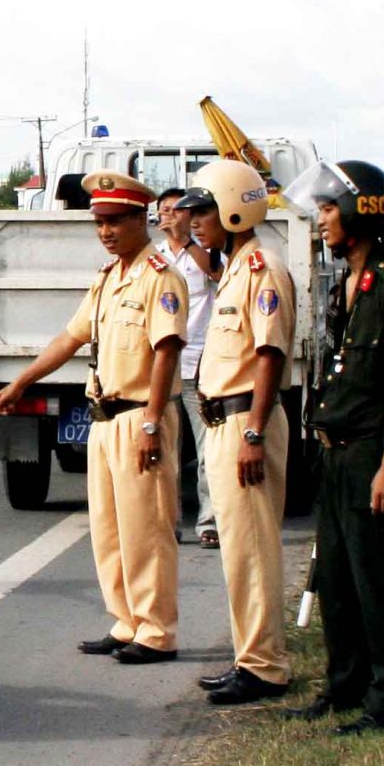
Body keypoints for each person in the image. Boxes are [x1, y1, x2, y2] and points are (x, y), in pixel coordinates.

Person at [0, 171, 188, 664]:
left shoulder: (161, 276)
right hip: (104, 418)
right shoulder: (108, 278)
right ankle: (126, 621)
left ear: (143, 219)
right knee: (110, 529)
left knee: (147, 532)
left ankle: (156, 631)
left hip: (140, 416)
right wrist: (20, 382)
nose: (106, 231)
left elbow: (167, 352)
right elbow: (69, 340)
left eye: (116, 221)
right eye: (99, 222)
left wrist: (153, 421)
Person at [282, 159, 384, 736]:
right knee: (339, 583)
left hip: (375, 454)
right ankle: (346, 685)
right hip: (338, 454)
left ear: (359, 210)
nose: (320, 220)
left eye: (326, 209)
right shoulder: (351, 283)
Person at [177, 159, 296, 705]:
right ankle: (250, 657)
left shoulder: (262, 270)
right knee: (237, 553)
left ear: (232, 209)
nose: (193, 222)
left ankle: (264, 666)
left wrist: (252, 433)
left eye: (202, 212)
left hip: (247, 421)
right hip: (225, 421)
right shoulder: (233, 269)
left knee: (252, 551)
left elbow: (269, 356)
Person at [157, 186, 224, 549]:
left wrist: (187, 243)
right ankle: (168, 521)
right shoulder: (154, 257)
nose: (169, 215)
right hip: (165, 366)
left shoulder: (206, 252)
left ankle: (208, 520)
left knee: (206, 449)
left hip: (200, 364)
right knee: (167, 451)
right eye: (164, 210)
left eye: (176, 210)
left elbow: (215, 275)